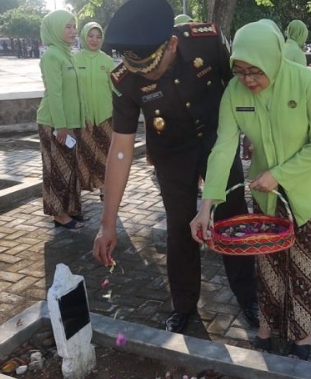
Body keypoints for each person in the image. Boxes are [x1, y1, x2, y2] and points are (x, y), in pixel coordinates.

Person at [92, 0, 258, 334]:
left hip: (217, 141)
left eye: (153, 69)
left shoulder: (206, 40)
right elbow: (121, 149)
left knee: (233, 219)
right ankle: (183, 305)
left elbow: (240, 86)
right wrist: (107, 223)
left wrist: (251, 133)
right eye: (140, 72)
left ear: (171, 44)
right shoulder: (125, 79)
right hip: (171, 153)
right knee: (180, 228)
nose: (148, 76)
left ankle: (249, 297)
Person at [189, 20, 311, 360]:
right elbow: (223, 148)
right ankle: (268, 325)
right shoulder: (235, 94)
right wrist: (206, 206)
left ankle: (302, 332)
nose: (248, 80)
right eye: (240, 71)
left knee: (304, 262)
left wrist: (280, 174)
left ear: (272, 59)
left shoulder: (305, 84)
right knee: (268, 259)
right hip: (266, 193)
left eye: (255, 71)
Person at [35, 9, 86, 229]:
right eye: (68, 26)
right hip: (55, 123)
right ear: (55, 29)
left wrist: (82, 120)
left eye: (74, 26)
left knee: (72, 168)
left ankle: (71, 209)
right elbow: (54, 94)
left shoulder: (68, 54)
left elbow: (76, 92)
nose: (73, 31)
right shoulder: (51, 56)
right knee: (57, 169)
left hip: (71, 122)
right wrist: (61, 125)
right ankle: (58, 213)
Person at [75, 22, 115, 201]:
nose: (94, 40)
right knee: (82, 155)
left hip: (105, 117)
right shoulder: (74, 60)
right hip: (81, 118)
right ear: (84, 36)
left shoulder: (107, 60)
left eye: (98, 36)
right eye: (91, 36)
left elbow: (116, 89)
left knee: (106, 155)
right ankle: (81, 192)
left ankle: (105, 191)